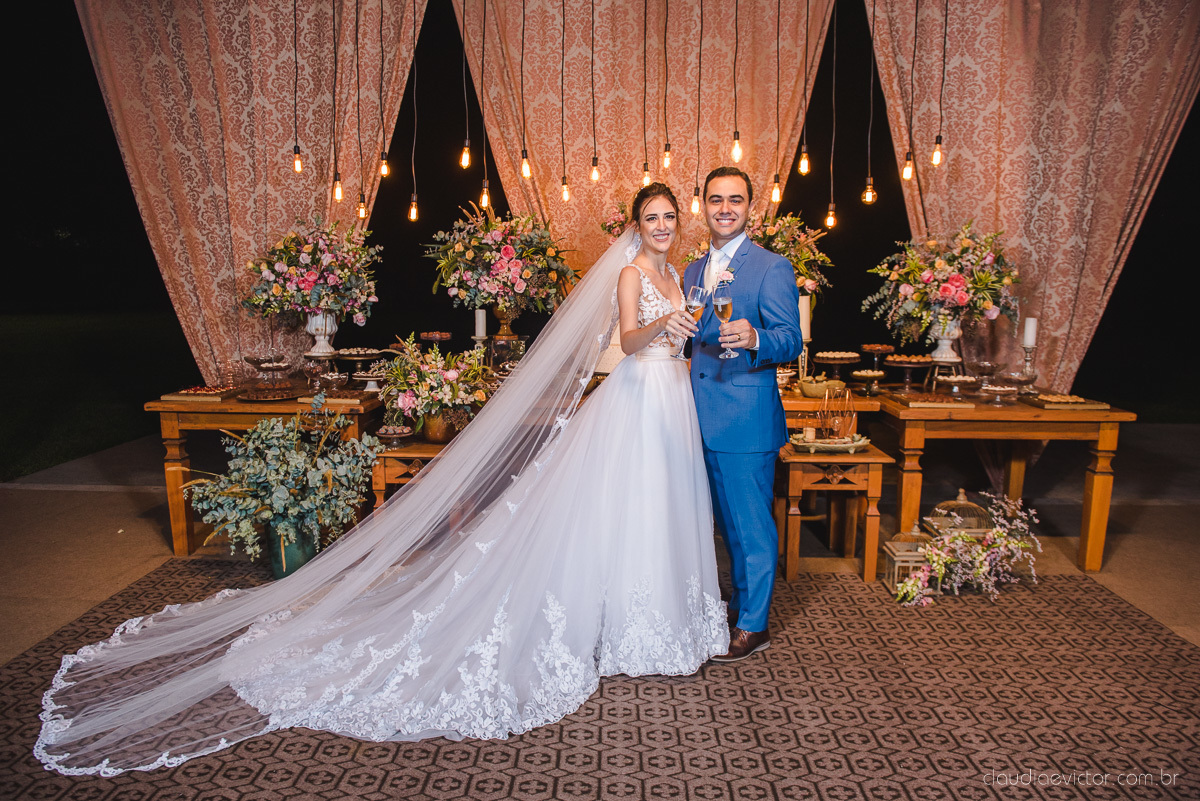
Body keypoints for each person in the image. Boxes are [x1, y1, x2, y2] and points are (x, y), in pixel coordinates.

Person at [34, 183, 727, 776]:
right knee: (627, 506)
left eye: (670, 217)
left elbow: (678, 336)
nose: (662, 226)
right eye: (652, 217)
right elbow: (631, 340)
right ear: (636, 225)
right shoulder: (635, 275)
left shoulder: (680, 274)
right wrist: (669, 323)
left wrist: (691, 322)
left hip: (672, 402)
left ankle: (658, 623)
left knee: (661, 510)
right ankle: (624, 626)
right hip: (636, 396)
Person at [683, 167, 803, 662]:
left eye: (735, 199)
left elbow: (791, 339)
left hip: (745, 418)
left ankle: (755, 624)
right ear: (703, 206)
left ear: (750, 207)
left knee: (752, 526)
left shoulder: (771, 267)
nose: (725, 208)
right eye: (716, 200)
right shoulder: (691, 271)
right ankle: (739, 602)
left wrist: (755, 339)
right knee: (724, 525)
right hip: (695, 417)